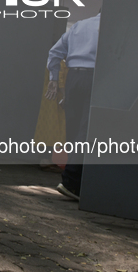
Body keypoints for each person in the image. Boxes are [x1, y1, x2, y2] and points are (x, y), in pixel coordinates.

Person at [46, 13, 101, 201]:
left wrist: (54, 78)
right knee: (85, 131)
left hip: (73, 79)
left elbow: (54, 53)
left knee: (74, 128)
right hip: (95, 78)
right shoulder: (112, 28)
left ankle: (73, 180)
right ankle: (71, 183)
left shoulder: (79, 25)